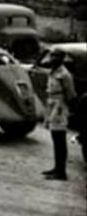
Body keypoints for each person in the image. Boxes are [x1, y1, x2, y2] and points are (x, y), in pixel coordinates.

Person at [42, 47, 76, 181]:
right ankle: (57, 168)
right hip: (52, 104)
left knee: (59, 139)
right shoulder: (54, 72)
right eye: (52, 56)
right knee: (55, 138)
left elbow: (71, 94)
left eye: (56, 56)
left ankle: (61, 172)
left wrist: (65, 109)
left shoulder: (64, 75)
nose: (53, 59)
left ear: (62, 59)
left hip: (59, 106)